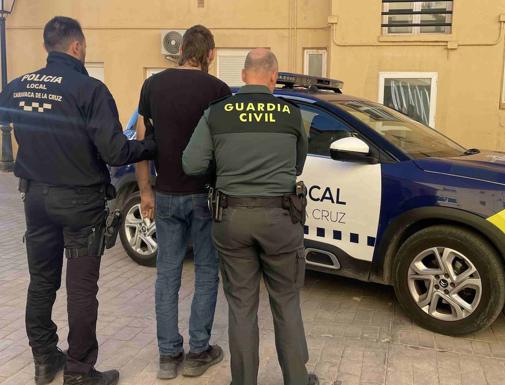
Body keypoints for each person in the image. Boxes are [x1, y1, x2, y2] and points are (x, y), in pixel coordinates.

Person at [0, 16, 157, 385]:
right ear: (77, 46)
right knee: (82, 289)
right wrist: (152, 145)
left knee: (41, 282)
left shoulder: (17, 87)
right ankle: (79, 372)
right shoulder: (89, 90)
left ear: (45, 47)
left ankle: (43, 359)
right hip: (80, 203)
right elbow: (116, 151)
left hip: (35, 198)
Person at [182, 48, 318, 385]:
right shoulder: (291, 114)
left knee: (242, 307)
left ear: (243, 76)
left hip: (231, 219)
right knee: (286, 301)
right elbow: (297, 166)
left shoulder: (217, 113)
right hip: (280, 219)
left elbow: (192, 164)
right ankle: (297, 381)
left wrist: (223, 169)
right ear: (274, 76)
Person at [135, 25, 230, 380]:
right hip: (205, 197)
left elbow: (143, 141)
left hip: (168, 195)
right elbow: (225, 145)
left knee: (167, 274)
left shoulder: (153, 85)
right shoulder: (217, 90)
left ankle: (167, 356)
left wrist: (145, 191)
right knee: (207, 271)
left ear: (181, 50)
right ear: (209, 54)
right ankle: (198, 352)